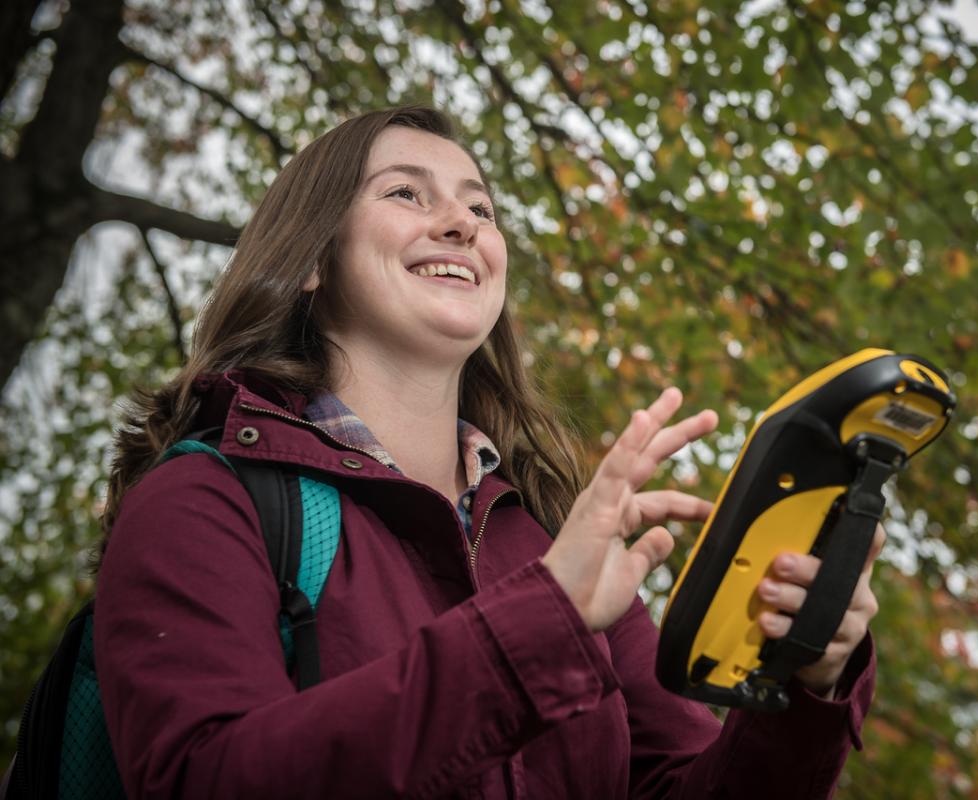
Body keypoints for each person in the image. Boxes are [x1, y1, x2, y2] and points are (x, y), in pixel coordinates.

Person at [95, 105, 881, 799]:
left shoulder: (547, 538)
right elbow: (203, 778)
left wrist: (810, 680)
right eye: (407, 193)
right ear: (310, 259)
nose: (463, 223)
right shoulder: (205, 498)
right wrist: (540, 627)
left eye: (482, 208)